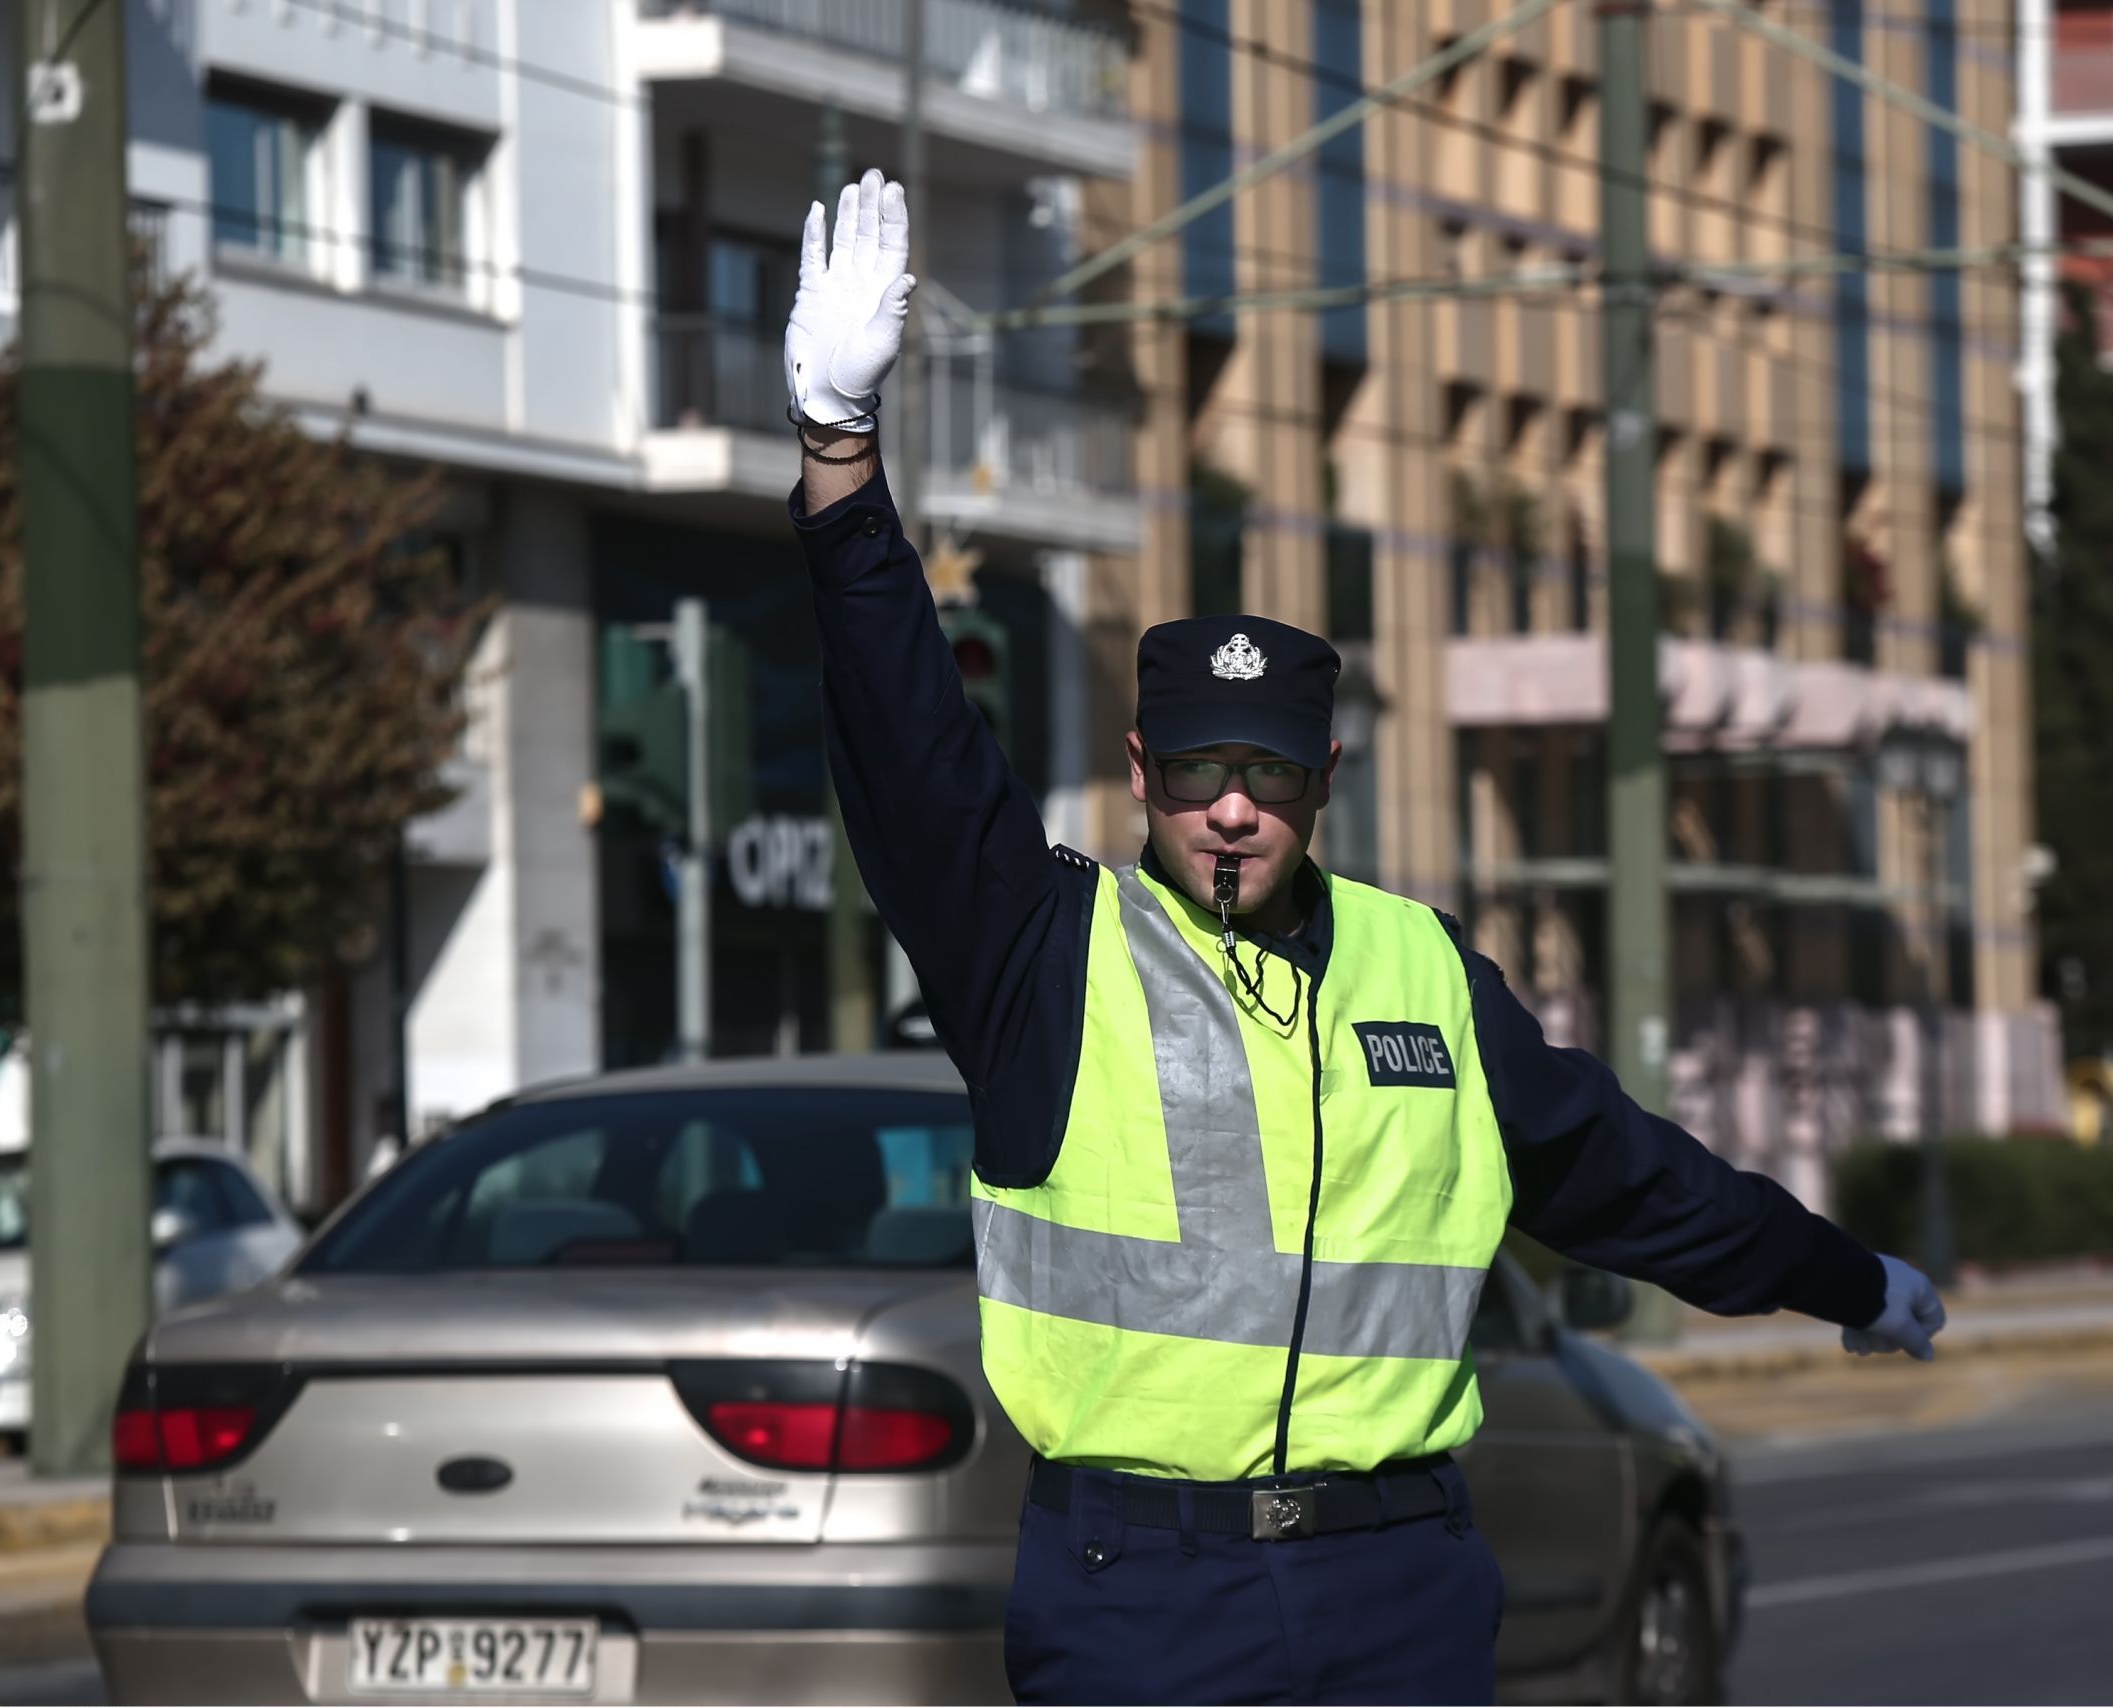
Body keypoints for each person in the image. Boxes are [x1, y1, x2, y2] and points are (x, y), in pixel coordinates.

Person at [786, 170, 1947, 1705]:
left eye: (1266, 775)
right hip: (1143, 1595)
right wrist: (840, 459)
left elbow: (1625, 1178)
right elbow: (913, 745)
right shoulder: (1044, 955)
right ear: (1145, 775)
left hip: (1397, 1584)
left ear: (1321, 782)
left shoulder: (1424, 972)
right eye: (1198, 773)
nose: (1231, 814)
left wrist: (1845, 1278)